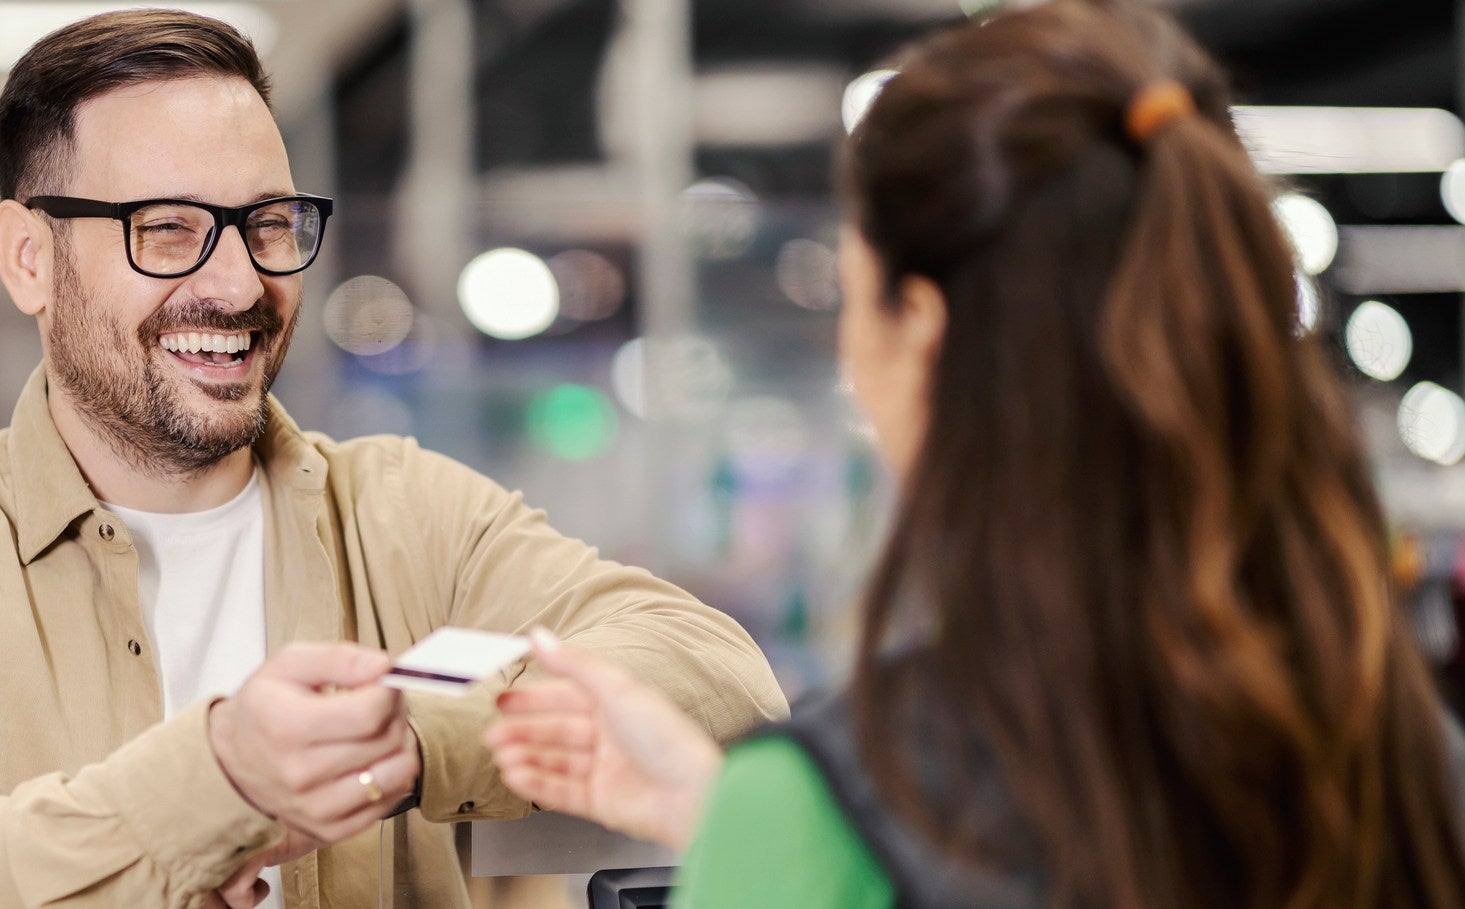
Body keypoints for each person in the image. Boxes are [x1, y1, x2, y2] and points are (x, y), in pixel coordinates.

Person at [0, 9, 786, 909]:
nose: (239, 280)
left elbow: (714, 671)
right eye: (166, 230)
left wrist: (420, 738)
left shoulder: (401, 510)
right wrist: (220, 778)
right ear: (29, 258)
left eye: (266, 223)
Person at [486, 2, 1465, 906]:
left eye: (854, 288)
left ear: (922, 327)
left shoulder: (823, 809)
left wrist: (776, 830)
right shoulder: (1397, 753)